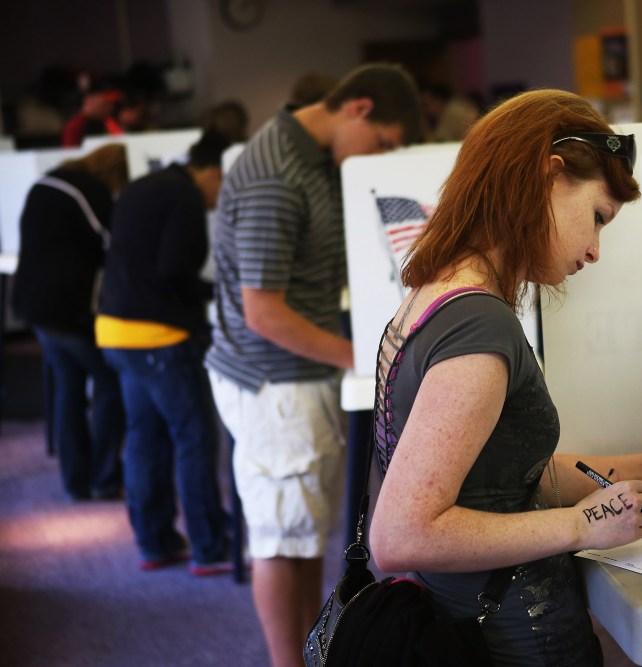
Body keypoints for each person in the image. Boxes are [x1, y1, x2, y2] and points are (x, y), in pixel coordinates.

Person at [367, 89, 642, 667]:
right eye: (597, 217)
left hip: (480, 625)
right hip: (516, 643)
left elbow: (505, 480)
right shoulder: (480, 324)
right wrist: (580, 526)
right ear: (547, 178)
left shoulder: (439, 295)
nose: (596, 250)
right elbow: (401, 536)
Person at [205, 62, 423, 667]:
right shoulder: (276, 173)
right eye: (381, 141)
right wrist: (364, 359)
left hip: (297, 376)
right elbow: (264, 313)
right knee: (280, 540)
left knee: (302, 537)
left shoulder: (316, 164)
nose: (378, 156)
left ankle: (303, 655)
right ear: (357, 108)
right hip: (274, 382)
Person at [95, 130, 234, 575]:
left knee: (144, 438)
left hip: (114, 330)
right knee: (193, 438)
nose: (220, 198)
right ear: (211, 173)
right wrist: (212, 292)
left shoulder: (143, 185)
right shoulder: (185, 197)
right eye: (223, 184)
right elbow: (174, 268)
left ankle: (154, 542)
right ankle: (209, 547)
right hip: (159, 337)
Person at [11, 143, 128, 501]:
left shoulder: (45, 184)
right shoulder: (90, 193)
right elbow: (115, 244)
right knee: (109, 384)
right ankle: (105, 475)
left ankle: (75, 481)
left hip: (35, 306)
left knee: (69, 389)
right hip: (70, 310)